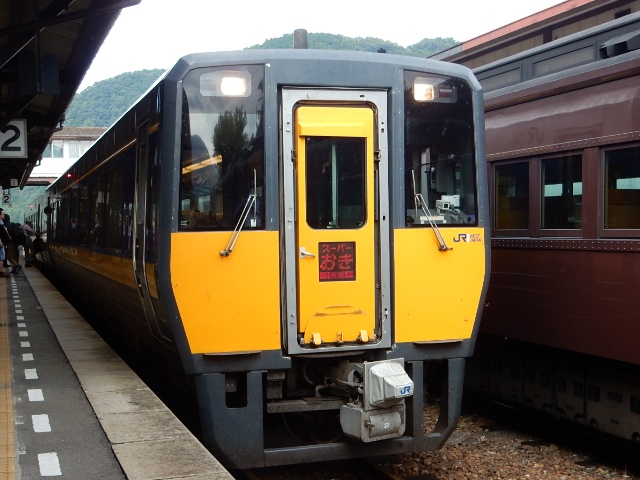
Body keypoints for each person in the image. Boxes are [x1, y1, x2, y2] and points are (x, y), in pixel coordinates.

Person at [0, 209, 20, 275]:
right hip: (16, 242)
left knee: (9, 256)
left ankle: (16, 265)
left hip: (10, 243)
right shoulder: (13, 224)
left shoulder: (5, 226)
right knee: (14, 255)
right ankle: (14, 268)